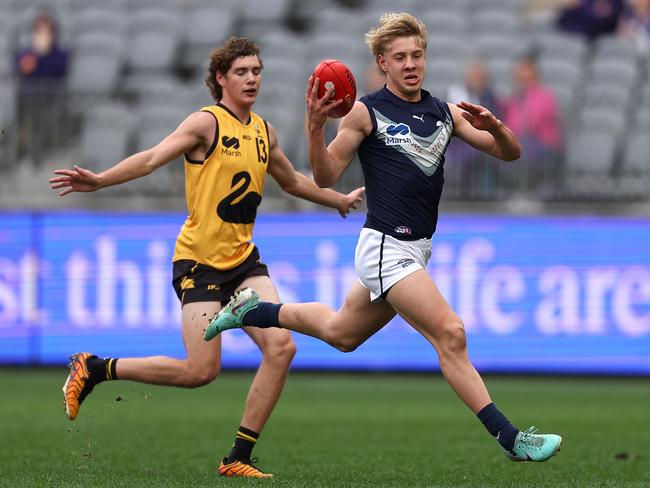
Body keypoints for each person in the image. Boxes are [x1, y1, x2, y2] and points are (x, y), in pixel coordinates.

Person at [204, 13, 562, 465]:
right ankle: (512, 439)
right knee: (450, 334)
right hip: (385, 247)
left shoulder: (445, 112)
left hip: (415, 249)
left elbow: (510, 154)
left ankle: (253, 309)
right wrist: (315, 127)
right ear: (383, 63)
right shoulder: (363, 112)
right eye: (400, 57)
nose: (411, 64)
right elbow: (326, 174)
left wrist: (496, 126)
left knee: (340, 333)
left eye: (417, 55)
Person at [48, 36, 364, 479]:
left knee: (281, 347)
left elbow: (292, 180)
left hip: (243, 262)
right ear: (220, 79)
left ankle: (237, 457)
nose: (252, 78)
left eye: (256, 70)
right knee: (200, 371)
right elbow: (152, 158)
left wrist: (335, 199)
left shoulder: (263, 131)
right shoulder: (205, 124)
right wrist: (100, 180)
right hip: (199, 263)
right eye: (242, 72)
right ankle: (97, 368)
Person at [14, 8, 69, 165]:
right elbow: (20, 69)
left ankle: (40, 151)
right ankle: (24, 147)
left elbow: (59, 70)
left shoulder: (59, 54)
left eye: (46, 30)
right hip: (28, 101)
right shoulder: (27, 53)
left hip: (51, 100)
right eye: (38, 30)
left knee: (40, 120)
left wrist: (43, 55)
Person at [502, 54, 562, 193]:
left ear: (534, 75)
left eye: (524, 72)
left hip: (543, 149)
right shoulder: (513, 98)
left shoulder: (545, 97)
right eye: (519, 73)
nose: (521, 76)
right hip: (522, 145)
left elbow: (531, 124)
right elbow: (509, 124)